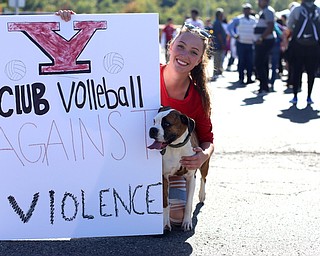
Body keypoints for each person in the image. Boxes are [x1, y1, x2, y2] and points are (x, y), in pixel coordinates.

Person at [57, 10, 215, 227]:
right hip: (128, 157)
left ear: (199, 61)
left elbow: (207, 139)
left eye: (194, 52)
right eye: (181, 46)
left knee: (176, 218)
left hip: (170, 164)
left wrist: (203, 156)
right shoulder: (142, 75)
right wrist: (69, 25)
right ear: (170, 46)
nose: (185, 54)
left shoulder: (198, 98)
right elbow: (97, 66)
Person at [287, 0, 320, 104]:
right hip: (314, 45)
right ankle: (309, 96)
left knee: (297, 70)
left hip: (298, 44)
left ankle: (295, 96)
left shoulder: (297, 9)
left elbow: (289, 25)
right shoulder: (318, 10)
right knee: (311, 71)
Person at [228, 3, 257, 84]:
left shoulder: (253, 19)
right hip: (241, 43)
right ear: (243, 11)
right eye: (245, 9)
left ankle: (249, 78)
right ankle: (241, 78)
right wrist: (234, 36)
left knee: (250, 61)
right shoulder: (238, 19)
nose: (247, 11)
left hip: (250, 43)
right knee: (241, 61)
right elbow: (229, 27)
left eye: (248, 9)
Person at [253, 0, 275, 94]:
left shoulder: (268, 11)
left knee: (259, 63)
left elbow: (270, 26)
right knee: (263, 63)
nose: (258, 2)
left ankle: (264, 86)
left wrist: (261, 38)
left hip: (265, 41)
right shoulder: (264, 11)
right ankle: (263, 87)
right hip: (263, 41)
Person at [212, 8, 227, 81]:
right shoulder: (217, 23)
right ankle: (215, 73)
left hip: (219, 45)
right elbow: (218, 34)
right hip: (218, 44)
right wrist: (222, 43)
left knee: (220, 59)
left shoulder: (219, 22)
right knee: (217, 59)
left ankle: (219, 71)